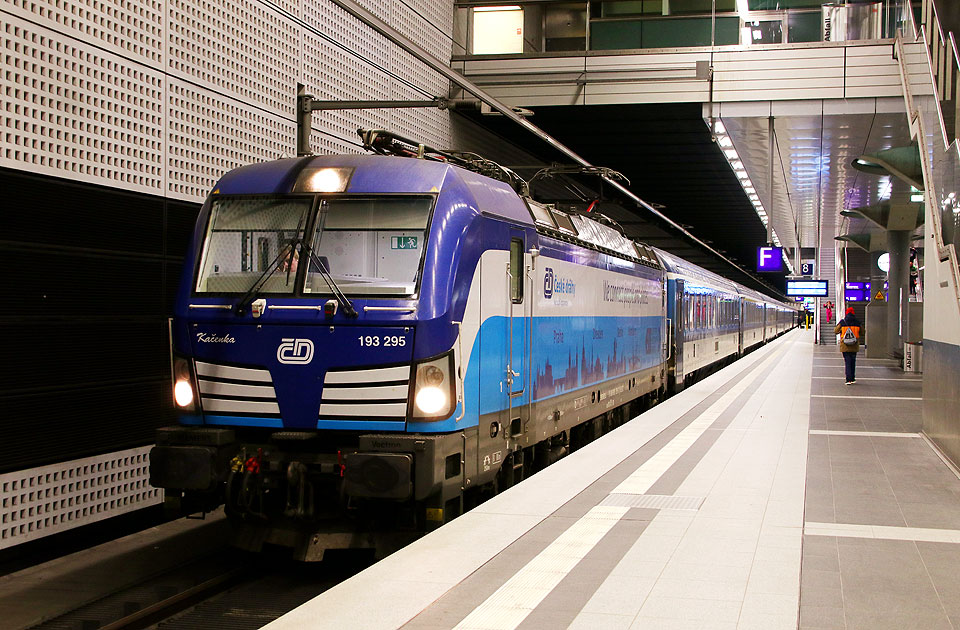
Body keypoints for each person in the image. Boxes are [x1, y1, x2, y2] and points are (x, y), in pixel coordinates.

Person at [834, 306, 863, 384]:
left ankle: (848, 379)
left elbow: (836, 331)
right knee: (853, 361)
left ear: (846, 313)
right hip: (854, 345)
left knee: (847, 362)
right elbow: (863, 332)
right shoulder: (857, 322)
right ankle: (853, 378)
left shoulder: (843, 322)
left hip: (845, 346)